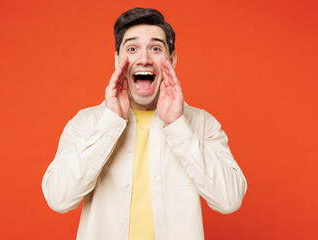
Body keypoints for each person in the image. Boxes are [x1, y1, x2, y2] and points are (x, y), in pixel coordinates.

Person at [42, 7, 247, 240]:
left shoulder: (202, 124)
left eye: (156, 49)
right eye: (132, 48)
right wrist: (110, 122)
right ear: (117, 60)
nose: (144, 59)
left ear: (172, 60)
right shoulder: (85, 123)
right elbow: (59, 199)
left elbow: (230, 200)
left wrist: (177, 125)